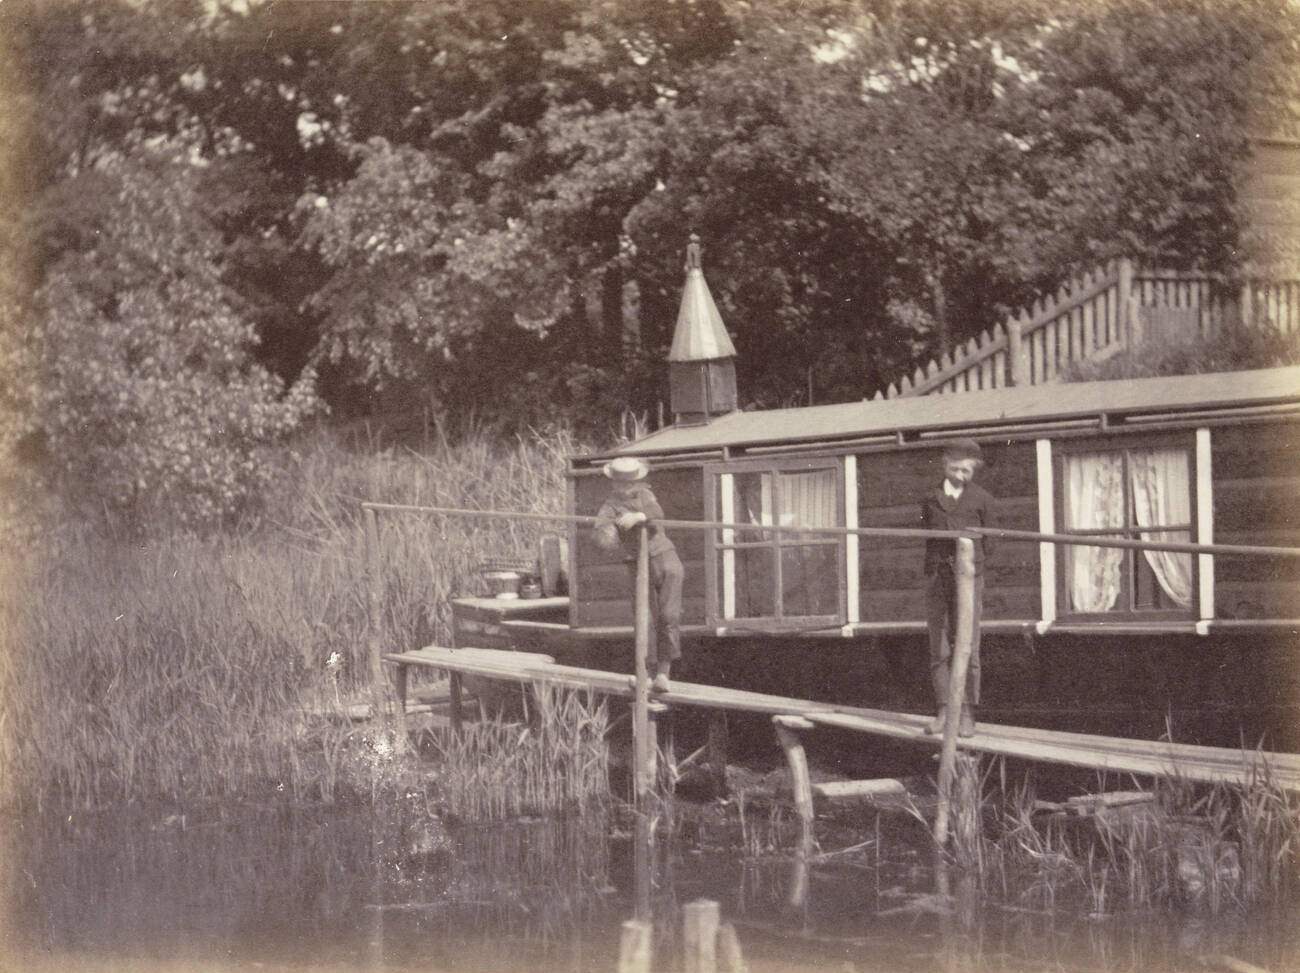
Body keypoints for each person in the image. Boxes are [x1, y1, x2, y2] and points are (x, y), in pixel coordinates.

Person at [920, 438, 996, 737]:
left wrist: (972, 569)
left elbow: (990, 543)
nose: (960, 476)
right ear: (944, 464)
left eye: (967, 471)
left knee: (968, 645)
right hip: (937, 578)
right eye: (955, 469)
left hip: (969, 579)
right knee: (939, 645)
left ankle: (966, 713)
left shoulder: (983, 500)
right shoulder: (929, 498)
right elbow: (927, 535)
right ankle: (943, 710)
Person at [594, 456, 685, 693]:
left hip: (664, 559)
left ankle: (664, 674)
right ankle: (644, 673)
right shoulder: (610, 504)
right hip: (637, 563)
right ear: (613, 483)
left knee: (668, 615)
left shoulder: (645, 495)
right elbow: (601, 534)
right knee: (644, 619)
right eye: (619, 483)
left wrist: (639, 517)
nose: (624, 487)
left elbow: (657, 512)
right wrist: (609, 530)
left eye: (628, 483)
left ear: (636, 482)